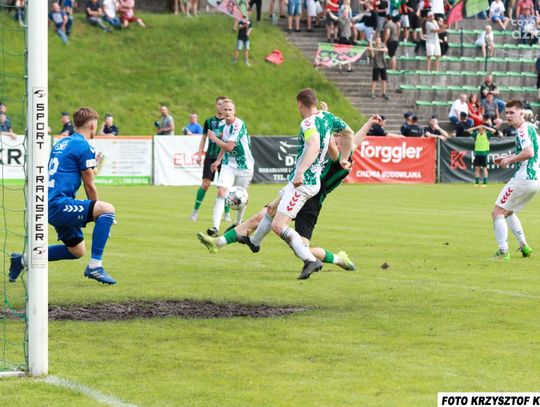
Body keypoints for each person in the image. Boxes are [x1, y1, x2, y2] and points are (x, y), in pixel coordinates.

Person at [197, 109, 368, 275]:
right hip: (299, 188)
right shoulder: (336, 150)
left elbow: (339, 144)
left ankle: (338, 259)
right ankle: (221, 242)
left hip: (311, 202)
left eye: (338, 142)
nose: (335, 142)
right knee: (263, 215)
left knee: (302, 248)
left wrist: (326, 123)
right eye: (335, 139)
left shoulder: (342, 162)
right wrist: (370, 122)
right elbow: (349, 139)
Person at [9, 107, 117, 285]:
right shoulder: (84, 145)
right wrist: (100, 215)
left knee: (76, 251)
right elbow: (89, 184)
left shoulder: (62, 142)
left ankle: (22, 260)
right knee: (107, 209)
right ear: (92, 125)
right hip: (59, 204)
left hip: (48, 201)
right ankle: (95, 267)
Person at [491, 99, 540, 260]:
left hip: (523, 178)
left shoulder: (522, 130)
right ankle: (524, 246)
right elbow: (531, 152)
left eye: (512, 112)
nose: (509, 116)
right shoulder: (531, 128)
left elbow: (529, 153)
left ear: (521, 113)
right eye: (507, 113)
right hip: (534, 180)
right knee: (508, 212)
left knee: (497, 212)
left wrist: (509, 160)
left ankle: (503, 251)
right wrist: (508, 157)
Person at [205, 99, 253, 236]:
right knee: (221, 192)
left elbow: (229, 146)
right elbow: (224, 145)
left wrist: (214, 138)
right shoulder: (222, 125)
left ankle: (238, 223)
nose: (227, 112)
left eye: (230, 110)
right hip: (229, 164)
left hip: (244, 165)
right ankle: (215, 227)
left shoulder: (238, 125)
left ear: (234, 111)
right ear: (221, 111)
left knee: (241, 195)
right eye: (225, 109)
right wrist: (218, 160)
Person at [191, 96, 231, 222]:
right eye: (219, 104)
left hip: (225, 158)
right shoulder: (209, 121)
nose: (221, 106)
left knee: (224, 186)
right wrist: (199, 154)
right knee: (205, 184)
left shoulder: (230, 122)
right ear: (216, 105)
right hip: (210, 156)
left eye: (223, 104)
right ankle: (195, 211)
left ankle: (227, 214)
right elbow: (203, 139)